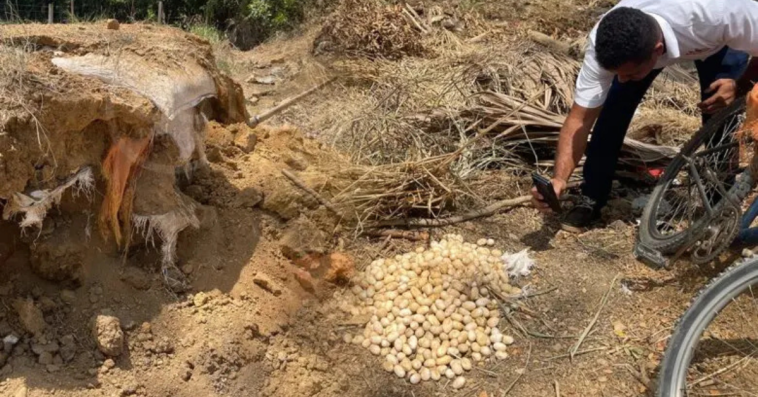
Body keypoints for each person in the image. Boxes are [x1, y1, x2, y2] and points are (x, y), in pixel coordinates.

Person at [531, 0, 758, 232]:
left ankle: (719, 203)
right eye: (616, 73)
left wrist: (740, 86)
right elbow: (580, 120)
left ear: (657, 51)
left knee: (721, 117)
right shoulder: (605, 39)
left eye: (628, 73)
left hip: (716, 41)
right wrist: (559, 179)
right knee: (611, 114)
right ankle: (592, 196)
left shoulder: (723, 13)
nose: (621, 78)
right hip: (663, 42)